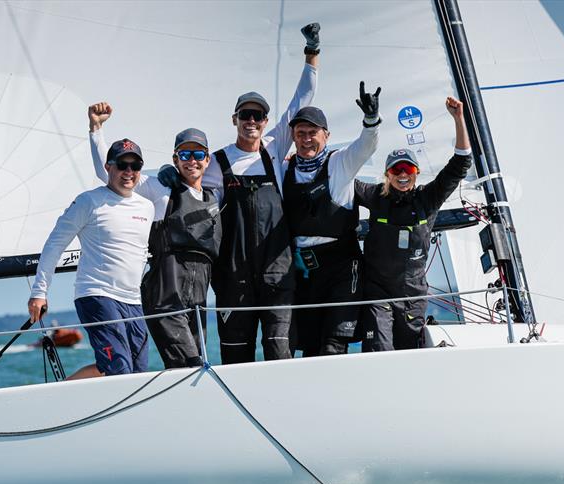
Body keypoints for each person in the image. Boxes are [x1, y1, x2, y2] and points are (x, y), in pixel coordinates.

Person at [202, 23, 320, 364]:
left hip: (277, 273)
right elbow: (190, 189)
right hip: (233, 278)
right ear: (235, 119)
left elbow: (303, 99)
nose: (251, 120)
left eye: (258, 115)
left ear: (267, 122)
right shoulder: (216, 162)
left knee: (280, 353)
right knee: (235, 359)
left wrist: (312, 53)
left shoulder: (274, 147)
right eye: (245, 115)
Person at [89, 108, 220, 369]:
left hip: (197, 298)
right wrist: (96, 130)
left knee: (198, 364)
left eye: (197, 155)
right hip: (164, 296)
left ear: (207, 160)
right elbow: (109, 173)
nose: (191, 161)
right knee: (189, 365)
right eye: (184, 154)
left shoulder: (215, 195)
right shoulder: (159, 187)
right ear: (175, 158)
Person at [28, 139, 153, 379]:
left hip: (133, 301)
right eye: (122, 164)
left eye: (135, 165)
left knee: (138, 372)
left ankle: (69, 391)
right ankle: (61, 398)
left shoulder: (146, 207)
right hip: (97, 294)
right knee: (118, 368)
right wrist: (39, 291)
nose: (129, 171)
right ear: (108, 167)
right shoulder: (89, 201)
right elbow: (55, 243)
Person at [355, 96, 472, 351]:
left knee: (411, 356)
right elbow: (340, 176)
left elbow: (460, 164)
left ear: (416, 172)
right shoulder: (375, 195)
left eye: (408, 169)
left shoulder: (427, 198)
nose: (403, 175)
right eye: (396, 171)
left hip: (412, 298)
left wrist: (458, 119)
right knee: (380, 350)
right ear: (387, 175)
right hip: (378, 295)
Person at [282, 82, 381, 356]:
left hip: (342, 266)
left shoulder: (340, 163)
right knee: (309, 346)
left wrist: (371, 120)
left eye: (312, 133)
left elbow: (366, 147)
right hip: (304, 271)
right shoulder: (284, 169)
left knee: (333, 344)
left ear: (326, 135)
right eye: (300, 133)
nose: (306, 139)